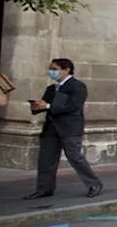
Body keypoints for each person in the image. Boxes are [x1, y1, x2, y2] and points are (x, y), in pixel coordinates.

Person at [24, 58, 103, 200]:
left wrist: (48, 106)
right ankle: (44, 188)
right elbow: (44, 105)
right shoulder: (51, 89)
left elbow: (73, 107)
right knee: (46, 160)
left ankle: (94, 184)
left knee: (75, 157)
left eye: (55, 69)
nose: (52, 72)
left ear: (66, 70)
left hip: (70, 129)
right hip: (50, 129)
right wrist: (38, 106)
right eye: (51, 69)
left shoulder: (77, 86)